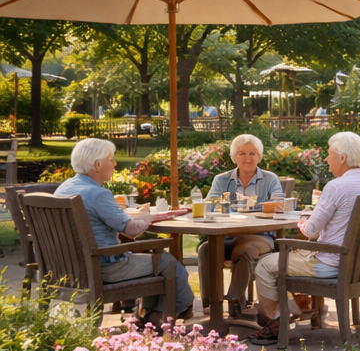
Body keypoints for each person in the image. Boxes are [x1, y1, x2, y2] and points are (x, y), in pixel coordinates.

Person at [250, 131, 360, 345]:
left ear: (343, 158)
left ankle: (275, 322)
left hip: (332, 265)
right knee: (287, 259)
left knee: (265, 265)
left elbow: (311, 230)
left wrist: (303, 217)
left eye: (329, 154)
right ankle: (294, 310)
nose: (326, 159)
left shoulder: (336, 186)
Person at [56, 138, 194, 329]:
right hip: (103, 268)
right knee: (168, 262)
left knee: (154, 260)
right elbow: (130, 229)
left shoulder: (64, 188)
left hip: (70, 269)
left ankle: (148, 315)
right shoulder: (98, 194)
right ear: (97, 165)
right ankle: (163, 315)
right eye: (110, 159)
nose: (114, 164)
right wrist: (147, 216)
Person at [197, 134, 284, 317]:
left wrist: (253, 206)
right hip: (229, 237)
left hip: (261, 237)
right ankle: (211, 303)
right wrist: (225, 206)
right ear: (234, 157)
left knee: (246, 248)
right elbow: (209, 205)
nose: (248, 158)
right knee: (205, 249)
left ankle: (235, 299)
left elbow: (278, 205)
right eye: (242, 153)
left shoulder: (270, 179)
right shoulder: (221, 180)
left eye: (253, 153)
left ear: (259, 156)